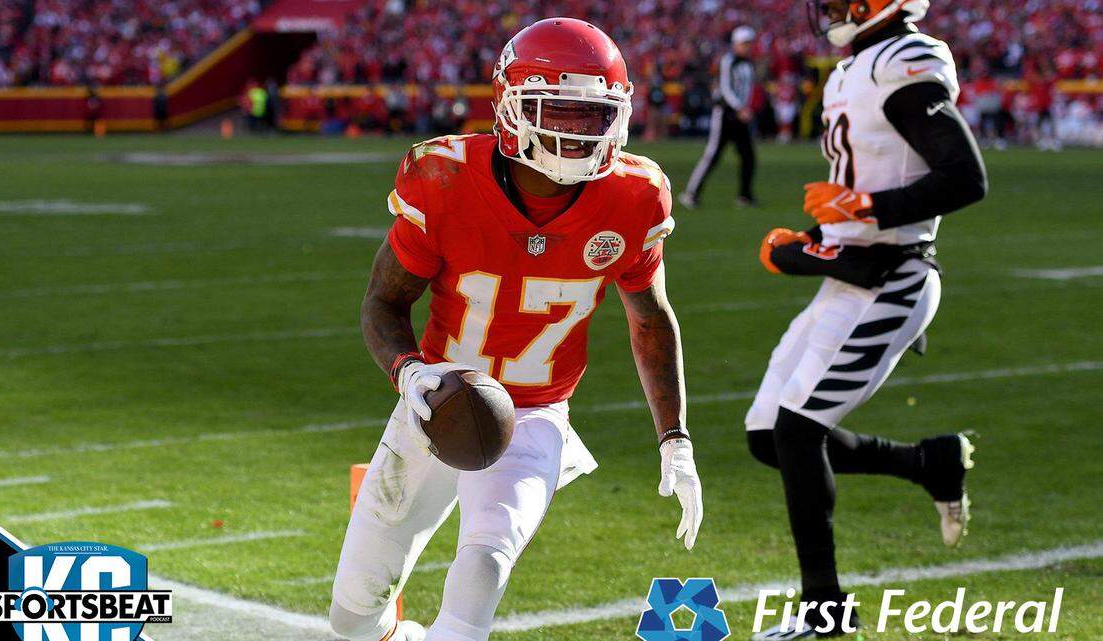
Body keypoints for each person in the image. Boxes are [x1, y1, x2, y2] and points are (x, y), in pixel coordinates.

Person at [330, 18, 703, 641]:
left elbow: (650, 319)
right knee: (353, 617)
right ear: (510, 103)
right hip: (436, 401)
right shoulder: (444, 176)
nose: (579, 131)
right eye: (559, 109)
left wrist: (676, 438)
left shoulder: (635, 195)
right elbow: (382, 302)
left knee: (484, 559)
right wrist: (410, 372)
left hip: (535, 416)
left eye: (594, 114)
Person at [747, 1, 987, 638]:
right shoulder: (855, 66)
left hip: (895, 278)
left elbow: (965, 177)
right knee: (768, 436)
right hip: (852, 274)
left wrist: (866, 208)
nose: (831, 7)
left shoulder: (902, 60)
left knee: (799, 432)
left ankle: (824, 613)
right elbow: (858, 192)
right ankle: (927, 463)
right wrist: (806, 242)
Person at [680, 25, 758, 210]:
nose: (747, 47)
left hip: (740, 115)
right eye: (744, 43)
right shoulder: (728, 61)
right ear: (736, 44)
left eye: (749, 43)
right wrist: (740, 107)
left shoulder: (748, 64)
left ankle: (744, 196)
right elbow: (725, 87)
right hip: (726, 114)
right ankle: (691, 193)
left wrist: (745, 108)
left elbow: (747, 89)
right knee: (712, 155)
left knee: (748, 157)